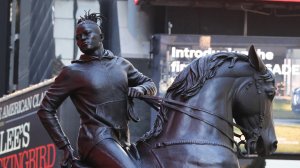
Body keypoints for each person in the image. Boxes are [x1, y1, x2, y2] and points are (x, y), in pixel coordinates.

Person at [37, 12, 157, 167]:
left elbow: (150, 85)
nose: (82, 39)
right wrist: (65, 146)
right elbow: (45, 109)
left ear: (101, 36)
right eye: (78, 37)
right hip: (95, 139)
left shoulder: (122, 65)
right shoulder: (72, 71)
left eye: (87, 34)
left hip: (122, 138)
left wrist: (140, 89)